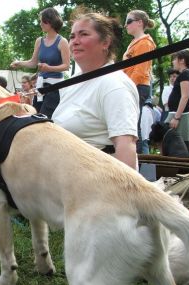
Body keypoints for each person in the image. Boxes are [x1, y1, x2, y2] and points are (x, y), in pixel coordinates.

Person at [52, 9, 139, 169]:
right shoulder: (72, 83)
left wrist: (122, 194)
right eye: (72, 36)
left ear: (105, 42)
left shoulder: (114, 85)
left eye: (83, 34)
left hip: (95, 185)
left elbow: (126, 145)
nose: (75, 41)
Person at [10, 7, 70, 118]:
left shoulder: (62, 42)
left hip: (55, 87)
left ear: (50, 21)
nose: (40, 23)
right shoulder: (39, 41)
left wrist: (49, 68)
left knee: (44, 117)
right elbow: (33, 63)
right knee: (35, 115)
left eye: (42, 21)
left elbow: (66, 66)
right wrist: (19, 63)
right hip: (40, 86)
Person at [123, 10, 156, 154]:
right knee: (132, 125)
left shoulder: (145, 43)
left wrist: (126, 88)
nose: (126, 25)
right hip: (132, 86)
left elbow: (140, 71)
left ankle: (138, 162)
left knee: (133, 127)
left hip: (136, 87)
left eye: (129, 21)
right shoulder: (135, 42)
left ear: (139, 23)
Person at [167, 49, 189, 156]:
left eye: (174, 59)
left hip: (179, 116)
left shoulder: (185, 75)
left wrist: (176, 118)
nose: (173, 62)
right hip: (176, 114)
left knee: (180, 145)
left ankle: (181, 169)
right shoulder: (184, 74)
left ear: (182, 60)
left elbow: (184, 97)